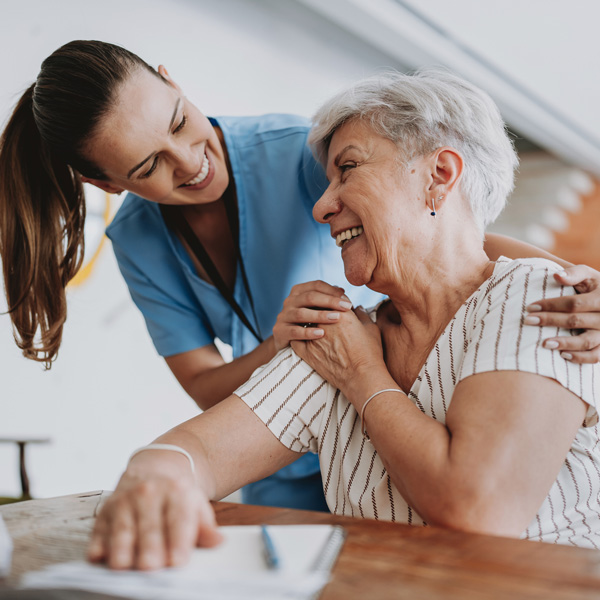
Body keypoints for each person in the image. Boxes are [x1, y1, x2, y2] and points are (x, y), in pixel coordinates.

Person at [1, 41, 599, 513]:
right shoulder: (139, 241)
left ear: (173, 83)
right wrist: (282, 348)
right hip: (289, 439)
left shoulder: (297, 153)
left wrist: (563, 278)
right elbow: (205, 397)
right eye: (149, 165)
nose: (189, 162)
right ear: (108, 185)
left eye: (179, 122)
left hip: (392, 412)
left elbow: (432, 231)